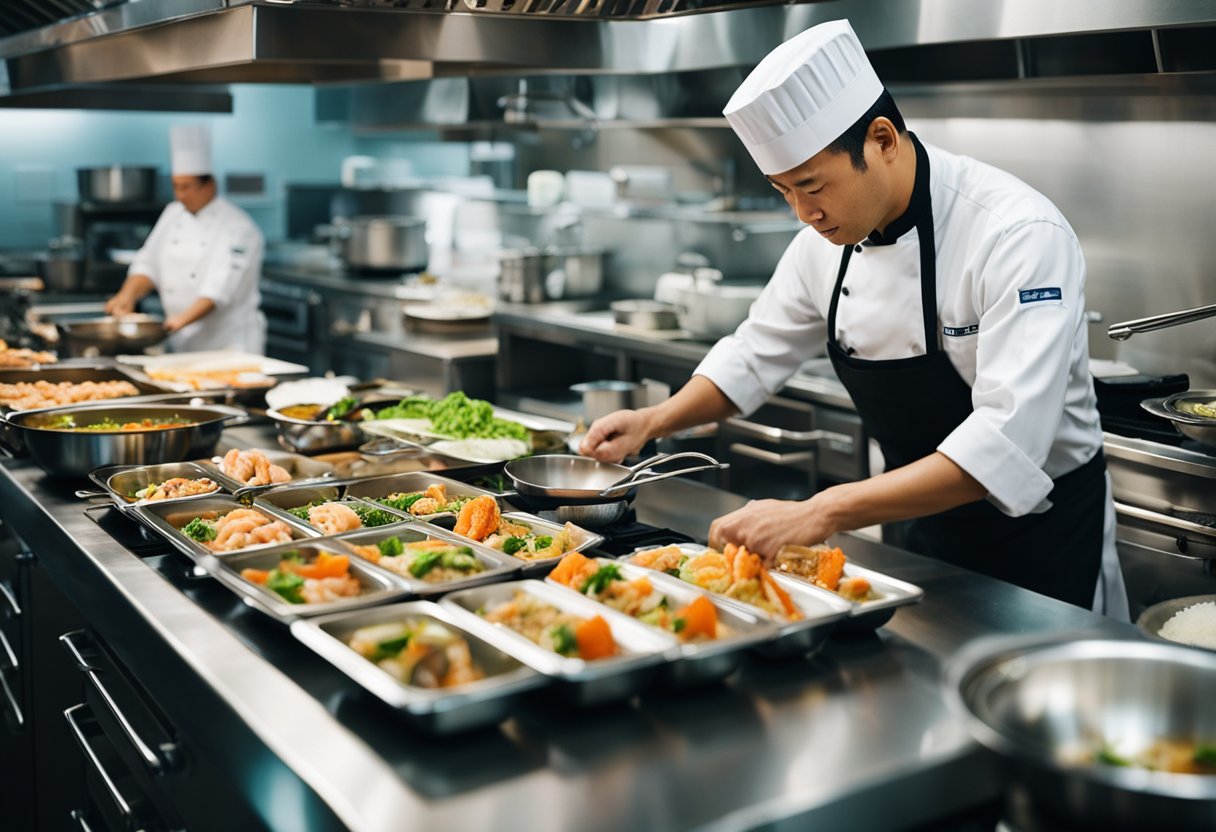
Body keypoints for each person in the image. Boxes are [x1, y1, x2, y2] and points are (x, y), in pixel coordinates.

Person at [580, 20, 1127, 617]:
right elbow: (755, 353)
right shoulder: (827, 236)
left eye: (812, 185)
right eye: (782, 191)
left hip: (1042, 546)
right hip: (916, 530)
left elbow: (1007, 441)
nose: (802, 213)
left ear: (883, 140)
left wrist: (822, 510)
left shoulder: (1016, 234)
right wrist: (653, 422)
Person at [105, 125, 267, 354]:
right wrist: (127, 295)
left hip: (229, 345)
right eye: (176, 187)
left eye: (187, 187)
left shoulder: (239, 228)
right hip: (182, 341)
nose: (180, 195)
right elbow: (148, 262)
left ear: (210, 185)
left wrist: (174, 324)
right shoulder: (173, 213)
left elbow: (219, 290)